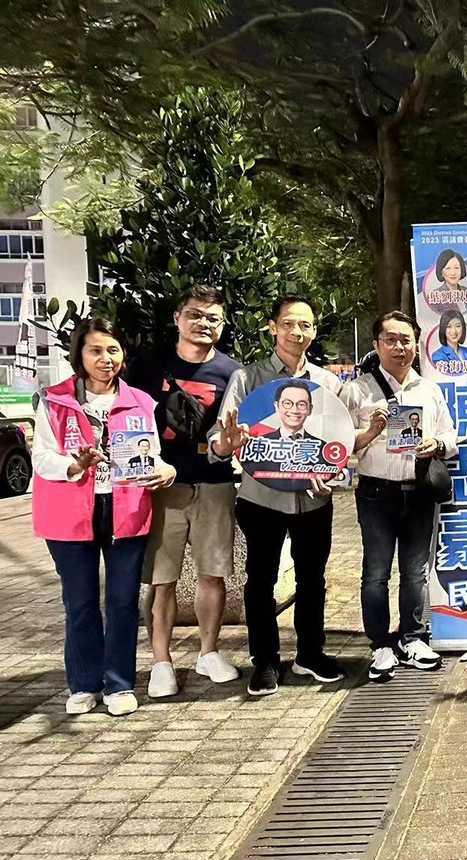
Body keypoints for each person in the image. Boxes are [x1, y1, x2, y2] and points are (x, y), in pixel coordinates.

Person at [32, 317, 177, 716]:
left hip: (126, 509)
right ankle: (83, 684)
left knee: (122, 601)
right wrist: (75, 465)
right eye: (95, 350)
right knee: (79, 602)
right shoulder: (54, 401)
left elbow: (152, 454)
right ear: (79, 354)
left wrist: (166, 469)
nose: (105, 358)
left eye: (113, 350)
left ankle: (119, 684)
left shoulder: (140, 402)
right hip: (68, 513)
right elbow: (41, 457)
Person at [210, 294, 351, 696]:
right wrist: (226, 443)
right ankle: (265, 661)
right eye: (288, 323)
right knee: (260, 580)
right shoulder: (248, 379)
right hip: (261, 498)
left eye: (305, 325)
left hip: (313, 499)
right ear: (273, 328)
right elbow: (220, 438)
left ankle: (310, 654)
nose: (297, 332)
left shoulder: (328, 384)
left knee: (313, 579)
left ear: (314, 331)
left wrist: (335, 473)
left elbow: (339, 443)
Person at [127, 284, 243, 699]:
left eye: (212, 318)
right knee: (162, 579)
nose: (203, 324)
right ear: (178, 318)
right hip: (162, 487)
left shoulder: (234, 373)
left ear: (222, 325)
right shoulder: (148, 367)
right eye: (194, 315)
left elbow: (237, 429)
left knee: (214, 573)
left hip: (214, 483)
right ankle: (161, 662)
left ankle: (208, 652)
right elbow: (128, 422)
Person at [348, 310, 457, 683]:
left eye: (405, 340)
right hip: (376, 492)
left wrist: (436, 444)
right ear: (376, 345)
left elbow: (451, 436)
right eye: (390, 340)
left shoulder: (429, 389)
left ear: (416, 344)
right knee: (375, 573)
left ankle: (412, 638)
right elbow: (340, 443)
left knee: (415, 572)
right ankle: (380, 644)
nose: (399, 347)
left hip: (419, 490)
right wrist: (369, 432)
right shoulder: (358, 390)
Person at [430, 310, 467, 375]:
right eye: (449, 326)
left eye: (458, 326)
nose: (454, 331)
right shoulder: (437, 356)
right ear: (443, 329)